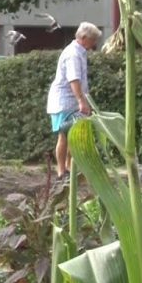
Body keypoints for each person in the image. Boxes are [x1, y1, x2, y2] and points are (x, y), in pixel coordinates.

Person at [47, 22, 102, 181]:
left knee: (74, 135)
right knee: (64, 135)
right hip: (65, 101)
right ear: (84, 38)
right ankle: (61, 171)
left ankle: (70, 168)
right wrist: (81, 101)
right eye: (93, 39)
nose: (95, 43)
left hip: (74, 101)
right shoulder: (73, 53)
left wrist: (84, 100)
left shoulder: (80, 52)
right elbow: (74, 79)